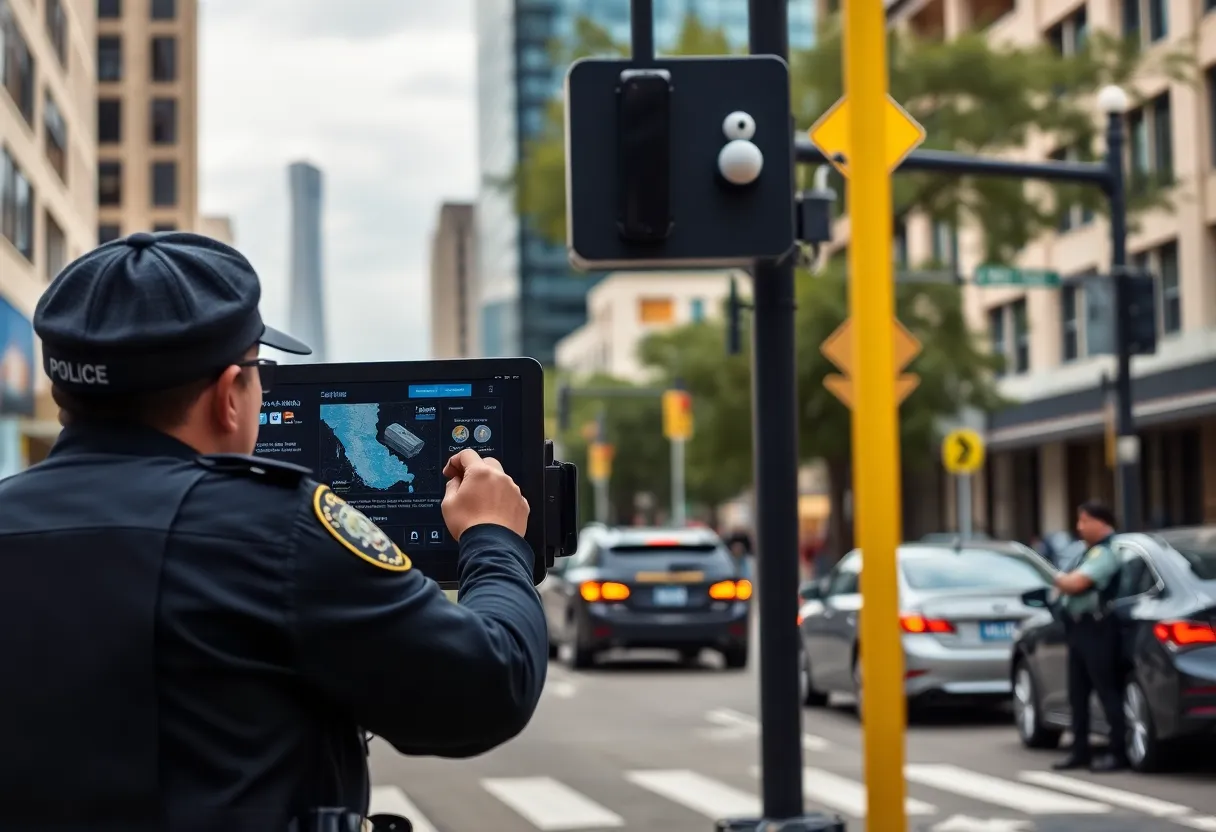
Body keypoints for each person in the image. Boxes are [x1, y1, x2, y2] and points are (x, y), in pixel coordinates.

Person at [0, 232, 549, 830]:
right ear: (228, 396)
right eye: (260, 372)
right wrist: (494, 537)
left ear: (63, 393)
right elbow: (489, 687)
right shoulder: (278, 532)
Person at [1050, 499, 1127, 773]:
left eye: (1084, 521)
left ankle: (1119, 751)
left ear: (1101, 522)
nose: (1079, 527)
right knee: (1078, 693)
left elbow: (1077, 583)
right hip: (1080, 629)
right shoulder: (1088, 551)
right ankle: (1079, 750)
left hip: (1098, 628)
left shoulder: (1106, 553)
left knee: (1107, 691)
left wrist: (1053, 578)